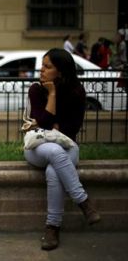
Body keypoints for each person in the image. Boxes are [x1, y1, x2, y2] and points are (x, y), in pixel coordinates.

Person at [24, 48, 101, 251]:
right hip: (37, 147)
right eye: (42, 65)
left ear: (61, 71)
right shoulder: (35, 90)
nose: (41, 70)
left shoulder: (76, 92)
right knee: (55, 153)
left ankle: (52, 227)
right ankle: (83, 201)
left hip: (68, 146)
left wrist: (49, 123)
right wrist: (52, 93)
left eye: (48, 67)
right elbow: (45, 125)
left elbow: (70, 128)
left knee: (53, 170)